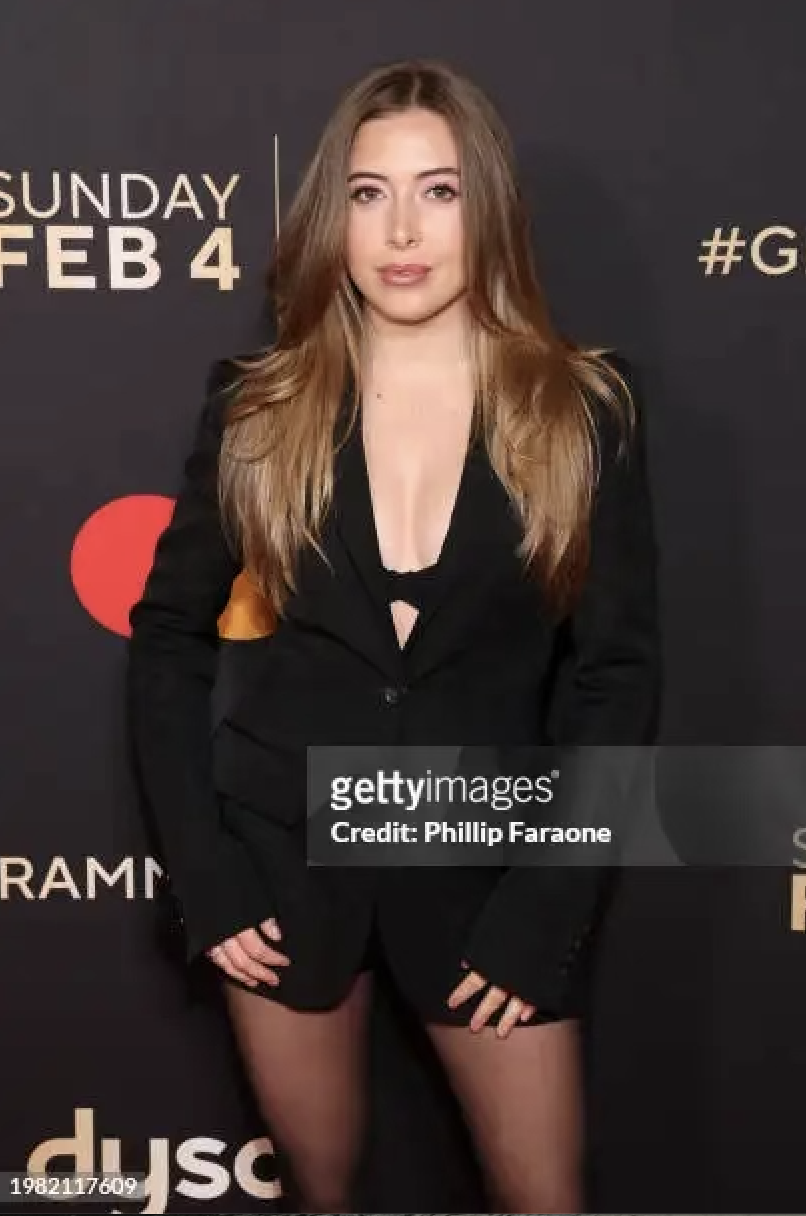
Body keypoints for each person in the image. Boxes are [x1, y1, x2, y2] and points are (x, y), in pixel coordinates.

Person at [127, 58, 661, 1215]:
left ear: (490, 209)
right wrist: (207, 875)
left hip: (487, 870)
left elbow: (614, 679)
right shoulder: (257, 406)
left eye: (439, 191)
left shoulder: (581, 409)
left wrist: (546, 903)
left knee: (544, 1197)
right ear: (335, 215)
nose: (402, 231)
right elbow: (166, 639)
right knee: (322, 1194)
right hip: (282, 871)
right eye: (369, 194)